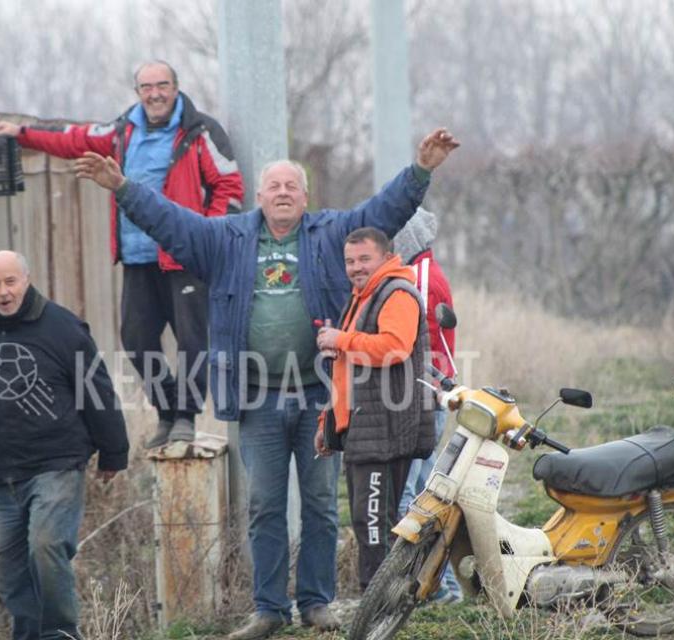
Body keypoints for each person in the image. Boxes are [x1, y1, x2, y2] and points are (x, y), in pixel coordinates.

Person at [71, 128, 458, 639]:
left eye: (290, 187)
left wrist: (421, 171)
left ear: (304, 196)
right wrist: (123, 188)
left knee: (321, 505)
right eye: (273, 186)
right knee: (265, 506)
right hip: (256, 398)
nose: (281, 193)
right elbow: (171, 223)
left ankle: (316, 603)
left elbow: (385, 211)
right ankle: (269, 609)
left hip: (322, 396)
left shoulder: (330, 234)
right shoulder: (224, 239)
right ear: (258, 196)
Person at [0, 61, 244, 448]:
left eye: (162, 85)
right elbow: (74, 139)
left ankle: (186, 417)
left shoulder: (200, 131)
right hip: (138, 256)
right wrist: (22, 135)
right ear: (138, 91)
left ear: (176, 87)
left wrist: (209, 235)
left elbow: (228, 185)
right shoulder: (124, 129)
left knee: (192, 340)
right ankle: (167, 410)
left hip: (186, 257)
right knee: (137, 338)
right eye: (146, 86)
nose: (154, 93)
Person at [0, 250, 129, 640]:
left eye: (10, 282)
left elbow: (96, 388)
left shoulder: (62, 326)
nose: (3, 292)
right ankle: (28, 633)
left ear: (26, 279)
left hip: (57, 461)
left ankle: (60, 633)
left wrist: (113, 451)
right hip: (3, 469)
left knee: (46, 545)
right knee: (9, 564)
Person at [313, 227, 436, 591]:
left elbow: (394, 347)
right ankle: (383, 608)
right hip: (363, 433)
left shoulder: (397, 293)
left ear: (386, 257)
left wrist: (342, 339)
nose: (355, 267)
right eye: (350, 261)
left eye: (364, 259)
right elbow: (348, 370)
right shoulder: (363, 296)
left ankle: (379, 612)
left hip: (386, 433)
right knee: (370, 529)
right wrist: (329, 422)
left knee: (374, 529)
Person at [393, 207, 463, 602]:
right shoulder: (420, 269)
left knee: (408, 496)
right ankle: (444, 590)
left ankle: (414, 587)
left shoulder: (418, 276)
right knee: (424, 494)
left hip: (421, 395)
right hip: (426, 393)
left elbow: (415, 345)